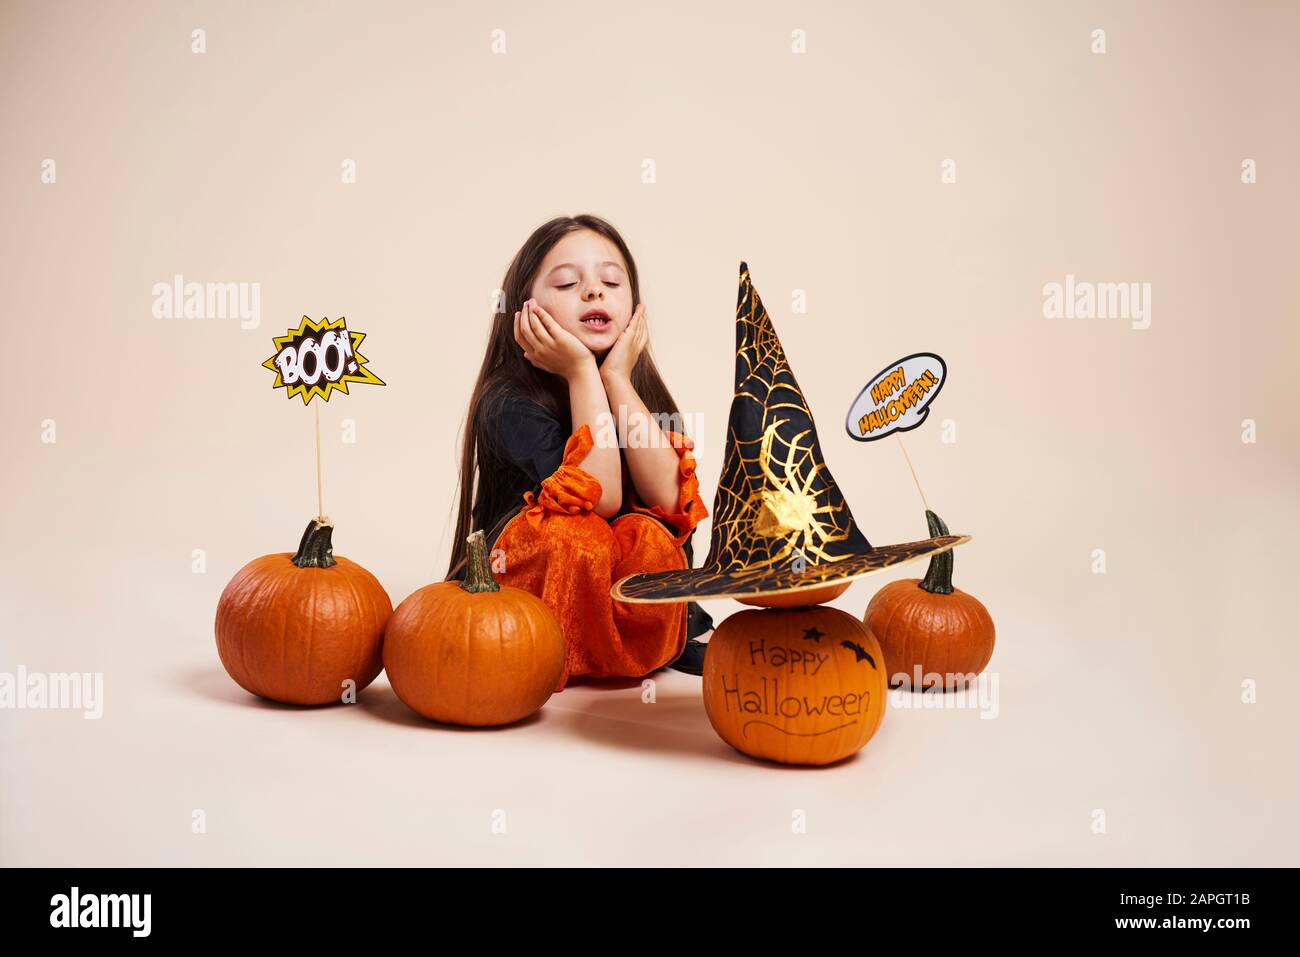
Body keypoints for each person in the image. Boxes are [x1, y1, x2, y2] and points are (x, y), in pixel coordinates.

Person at [445, 214, 714, 689]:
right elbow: (601, 497)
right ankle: (573, 652)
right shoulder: (507, 401)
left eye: (612, 281)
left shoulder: (635, 390)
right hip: (534, 617)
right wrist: (581, 373)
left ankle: (639, 644)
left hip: (616, 599)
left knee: (649, 536)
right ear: (525, 310)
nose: (594, 292)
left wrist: (616, 379)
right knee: (576, 533)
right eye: (568, 283)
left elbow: (672, 506)